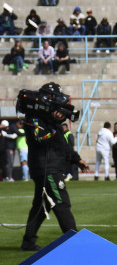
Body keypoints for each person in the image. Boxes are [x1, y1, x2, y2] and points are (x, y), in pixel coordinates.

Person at [20, 83, 89, 251]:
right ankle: (74, 241)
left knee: (41, 206)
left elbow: (62, 145)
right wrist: (54, 122)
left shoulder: (51, 120)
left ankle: (28, 242)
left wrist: (76, 159)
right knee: (61, 203)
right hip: (47, 169)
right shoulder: (34, 118)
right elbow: (41, 138)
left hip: (51, 168)